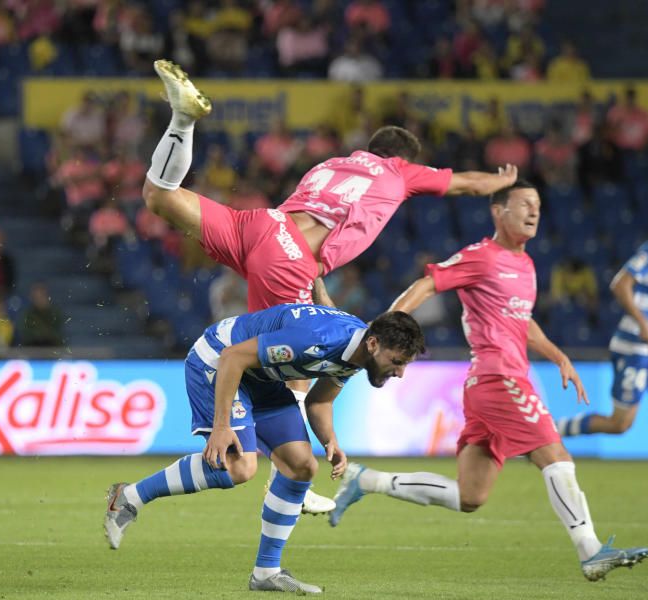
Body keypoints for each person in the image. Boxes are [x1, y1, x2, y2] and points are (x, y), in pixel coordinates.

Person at [141, 59, 518, 512]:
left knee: (159, 195)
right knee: (297, 360)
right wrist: (503, 181)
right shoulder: (398, 171)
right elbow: (465, 184)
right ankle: (287, 474)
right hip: (288, 256)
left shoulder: (334, 162)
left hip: (264, 225)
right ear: (402, 158)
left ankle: (182, 119)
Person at [328, 180, 648, 582]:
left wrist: (557, 354)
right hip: (499, 377)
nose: (534, 212)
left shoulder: (527, 265)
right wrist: (388, 328)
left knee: (470, 496)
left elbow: (522, 320)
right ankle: (591, 551)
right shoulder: (481, 256)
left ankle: (367, 480)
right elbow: (429, 284)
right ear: (499, 212)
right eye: (525, 205)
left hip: (491, 384)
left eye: (538, 205)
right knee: (555, 455)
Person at [104, 307, 427, 594]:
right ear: (374, 344)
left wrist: (330, 440)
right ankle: (129, 497)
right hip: (219, 360)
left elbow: (320, 400)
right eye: (397, 362)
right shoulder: (319, 339)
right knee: (239, 467)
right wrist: (221, 426)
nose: (399, 373)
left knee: (301, 466)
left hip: (261, 377)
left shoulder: (357, 354)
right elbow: (233, 356)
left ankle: (266, 573)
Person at [556, 194, 648, 505]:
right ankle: (548, 429)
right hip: (635, 346)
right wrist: (642, 322)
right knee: (620, 425)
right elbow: (620, 283)